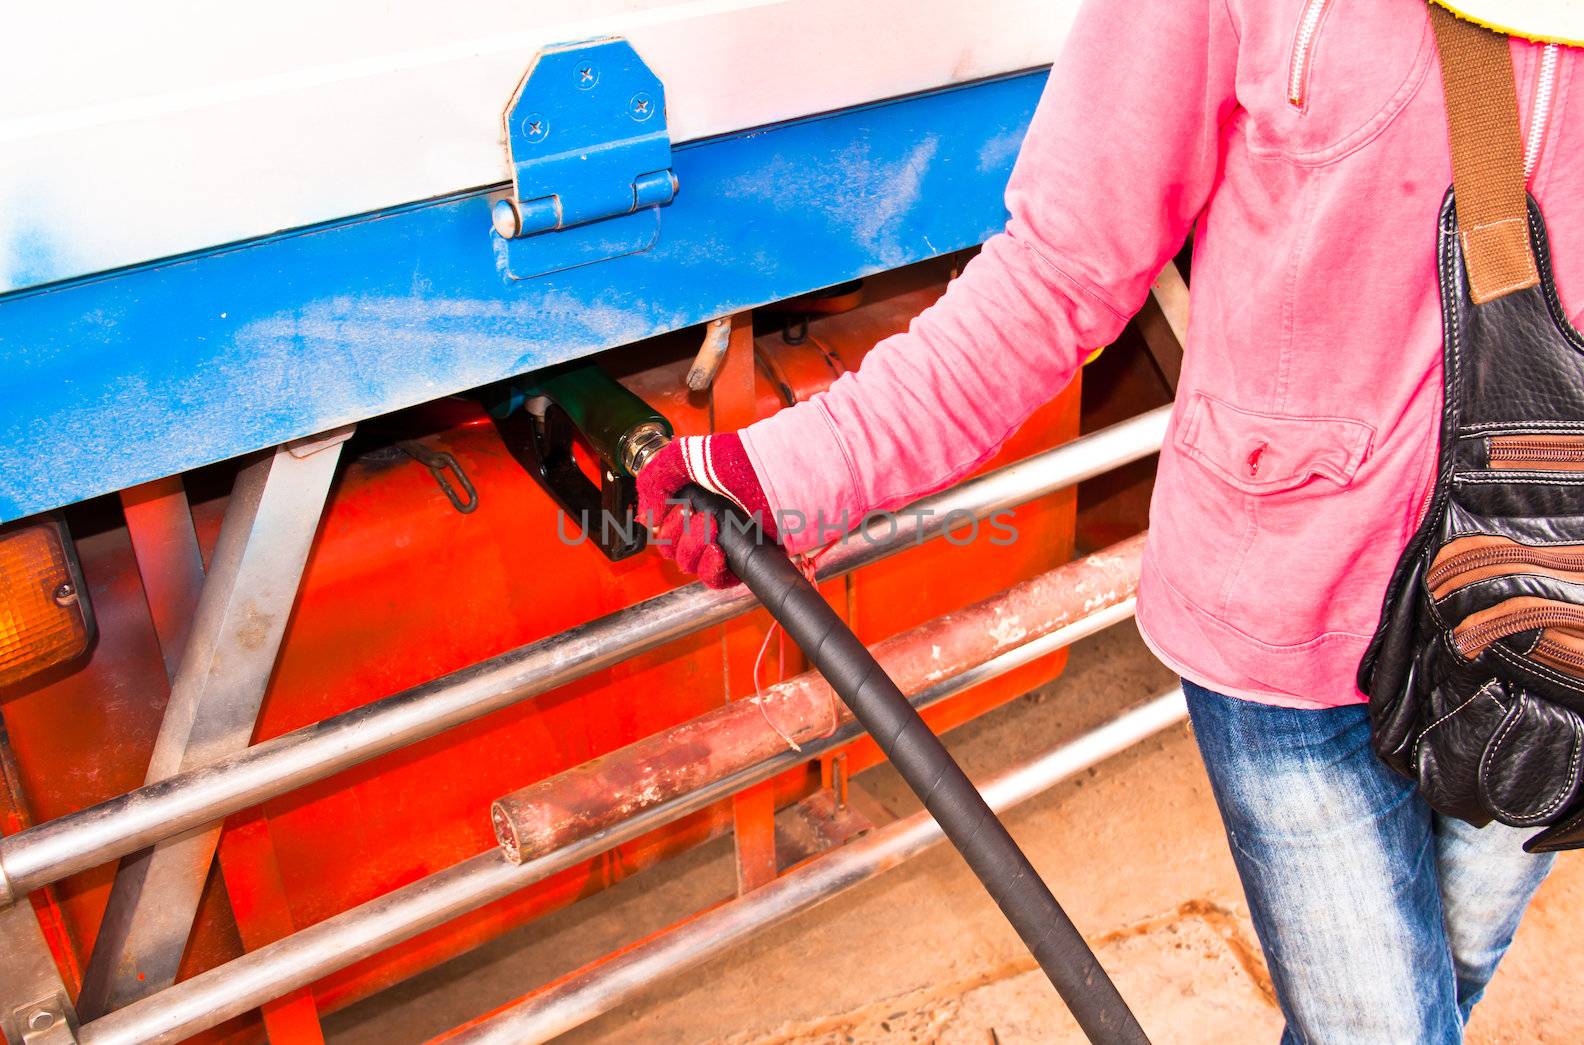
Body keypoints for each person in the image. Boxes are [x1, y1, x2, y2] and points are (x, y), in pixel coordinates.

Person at [636, 1, 1582, 1040]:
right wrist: (781, 471)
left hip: (1554, 625)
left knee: (1430, 991)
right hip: (1286, 621)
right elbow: (1057, 275)